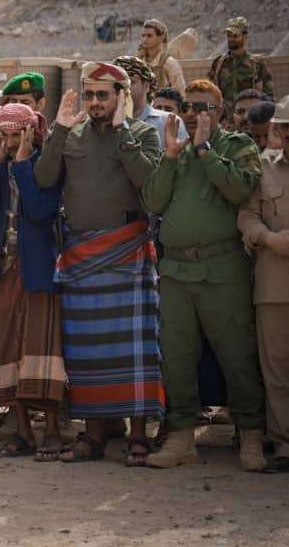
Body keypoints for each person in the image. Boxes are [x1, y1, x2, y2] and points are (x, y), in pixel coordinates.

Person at [34, 62, 163, 464]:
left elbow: (148, 180)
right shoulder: (71, 134)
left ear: (120, 96)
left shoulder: (143, 133)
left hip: (127, 253)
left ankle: (138, 435)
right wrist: (58, 130)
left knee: (133, 351)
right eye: (89, 95)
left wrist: (123, 131)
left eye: (102, 95)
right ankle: (92, 436)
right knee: (86, 350)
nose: (94, 102)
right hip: (81, 256)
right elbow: (44, 178)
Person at [144, 80, 266, 471]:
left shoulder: (238, 146)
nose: (193, 114)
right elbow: (153, 201)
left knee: (238, 355)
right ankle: (181, 436)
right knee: (176, 358)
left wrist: (205, 150)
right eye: (188, 107)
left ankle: (249, 433)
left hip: (222, 270)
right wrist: (169, 156)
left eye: (203, 107)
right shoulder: (175, 150)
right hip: (177, 271)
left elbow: (240, 189)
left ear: (221, 110)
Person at [0, 103, 65, 461]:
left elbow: (40, 210)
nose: (11, 142)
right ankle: (23, 431)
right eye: (5, 135)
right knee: (5, 349)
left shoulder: (46, 165)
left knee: (41, 350)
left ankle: (53, 431)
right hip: (2, 270)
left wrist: (24, 164)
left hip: (37, 270)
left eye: (17, 135)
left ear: (31, 133)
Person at [239, 95, 289, 473]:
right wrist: (270, 239)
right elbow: (247, 216)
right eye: (286, 130)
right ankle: (284, 444)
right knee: (277, 371)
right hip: (274, 285)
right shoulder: (264, 168)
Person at [115, 55, 188, 148]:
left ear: (146, 86)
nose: (123, 88)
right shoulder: (103, 123)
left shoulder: (168, 122)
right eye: (117, 84)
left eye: (131, 82)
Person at [208, 17, 275, 115]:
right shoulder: (218, 63)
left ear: (245, 37)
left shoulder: (256, 64)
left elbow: (269, 97)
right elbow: (210, 95)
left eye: (235, 36)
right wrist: (219, 118)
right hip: (225, 120)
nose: (231, 39)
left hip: (250, 118)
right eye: (229, 35)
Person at [137, 18, 185, 92]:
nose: (145, 39)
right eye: (143, 35)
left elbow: (180, 91)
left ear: (160, 38)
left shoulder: (169, 63)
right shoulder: (138, 61)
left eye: (149, 36)